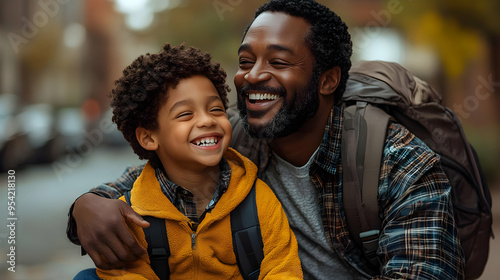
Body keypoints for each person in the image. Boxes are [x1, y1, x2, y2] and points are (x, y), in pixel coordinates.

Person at [68, 0, 465, 279]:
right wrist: (86, 205)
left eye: (278, 62)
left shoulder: (398, 162)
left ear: (328, 80)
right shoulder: (237, 137)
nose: (252, 76)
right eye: (245, 62)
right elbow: (151, 181)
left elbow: (424, 272)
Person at [76, 42, 302, 279]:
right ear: (148, 137)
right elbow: (126, 274)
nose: (207, 120)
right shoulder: (135, 211)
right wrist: (83, 205)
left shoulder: (257, 199)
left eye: (215, 109)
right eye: (185, 114)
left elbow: (283, 268)